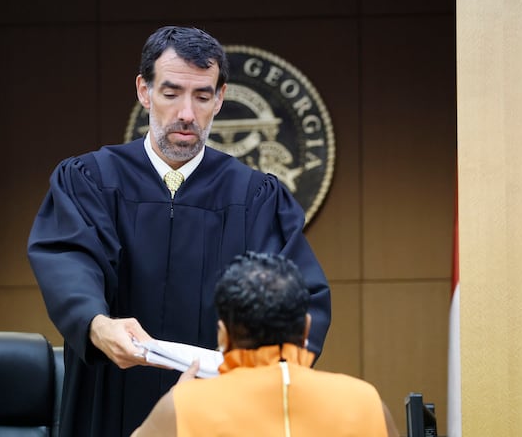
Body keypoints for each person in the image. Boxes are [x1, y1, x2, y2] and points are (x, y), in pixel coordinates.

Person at [27, 26, 331, 436]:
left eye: (202, 96)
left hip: (223, 411)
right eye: (171, 93)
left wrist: (264, 374)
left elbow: (300, 297)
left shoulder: (254, 197)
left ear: (220, 98)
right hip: (109, 397)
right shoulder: (91, 180)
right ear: (144, 91)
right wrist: (96, 324)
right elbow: (70, 259)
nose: (187, 113)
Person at [131, 251, 399, 437]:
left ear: (223, 335)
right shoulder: (365, 401)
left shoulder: (182, 406)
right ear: (306, 328)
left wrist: (178, 401)